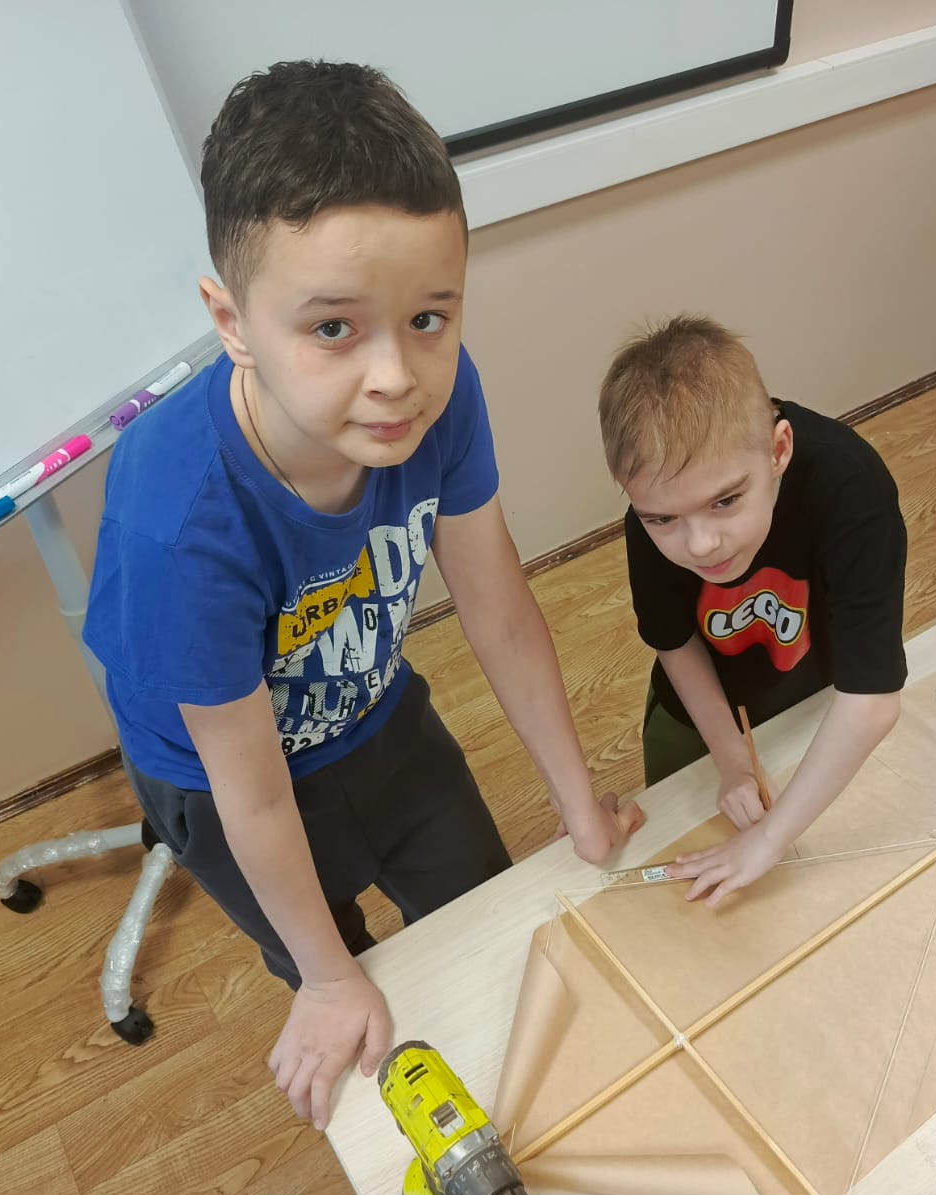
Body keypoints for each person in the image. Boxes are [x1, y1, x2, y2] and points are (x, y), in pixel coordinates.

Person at [84, 61, 636, 1132]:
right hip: (221, 782)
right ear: (232, 321)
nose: (396, 376)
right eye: (333, 329)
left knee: (485, 916)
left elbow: (498, 607)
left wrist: (575, 796)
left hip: (375, 712)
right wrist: (331, 979)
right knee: (339, 976)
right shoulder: (178, 521)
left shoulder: (441, 399)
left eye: (428, 317)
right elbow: (250, 794)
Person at [597, 314, 907, 906]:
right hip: (694, 709)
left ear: (778, 450)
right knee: (678, 829)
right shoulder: (649, 512)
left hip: (811, 697)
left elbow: (870, 700)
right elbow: (673, 639)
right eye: (663, 519)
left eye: (726, 501)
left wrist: (768, 839)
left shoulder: (851, 486)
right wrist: (732, 760)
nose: (700, 545)